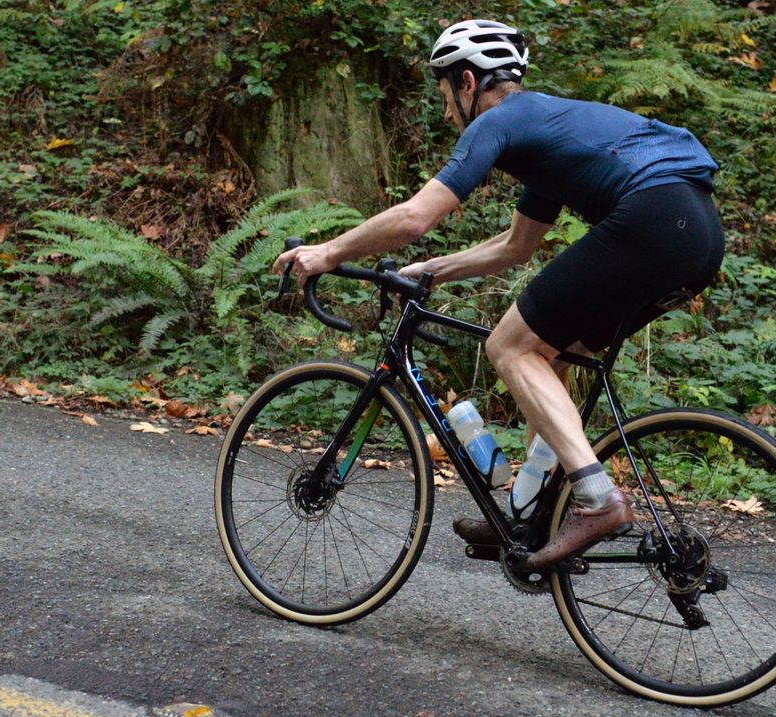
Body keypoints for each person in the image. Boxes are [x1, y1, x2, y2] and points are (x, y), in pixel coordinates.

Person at [272, 19, 724, 569]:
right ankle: (530, 507)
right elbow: (516, 246)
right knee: (551, 350)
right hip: (697, 231)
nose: (445, 112)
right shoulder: (549, 131)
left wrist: (329, 253)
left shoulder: (501, 121)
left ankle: (597, 499)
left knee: (511, 346)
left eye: (444, 96)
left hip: (653, 219)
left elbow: (416, 215)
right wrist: (432, 271)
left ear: (468, 82)